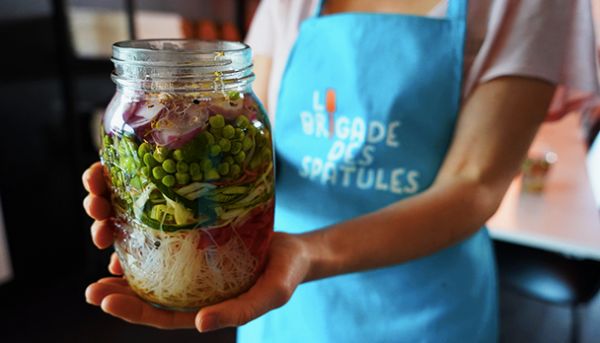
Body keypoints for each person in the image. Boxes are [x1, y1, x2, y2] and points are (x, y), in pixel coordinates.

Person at [83, 0, 599, 341]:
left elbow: (475, 183)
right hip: (275, 297)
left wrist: (307, 253)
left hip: (420, 308)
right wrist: (174, 199)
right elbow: (246, 140)